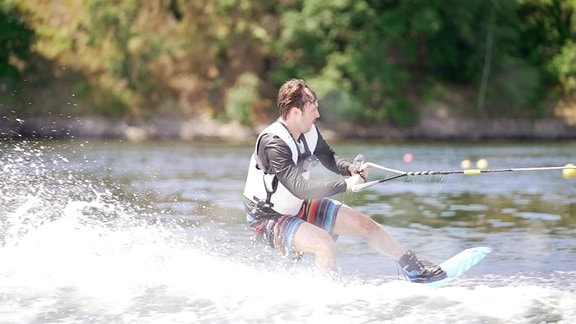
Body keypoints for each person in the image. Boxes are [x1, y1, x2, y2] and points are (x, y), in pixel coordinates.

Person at [242, 78, 446, 283]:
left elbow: (327, 155)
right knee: (323, 243)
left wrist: (349, 169)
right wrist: (347, 185)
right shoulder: (273, 144)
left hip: (298, 206)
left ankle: (411, 267)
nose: (318, 114)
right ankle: (332, 297)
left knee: (364, 224)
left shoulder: (307, 131)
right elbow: (300, 188)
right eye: (313, 108)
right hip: (268, 217)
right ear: (296, 112)